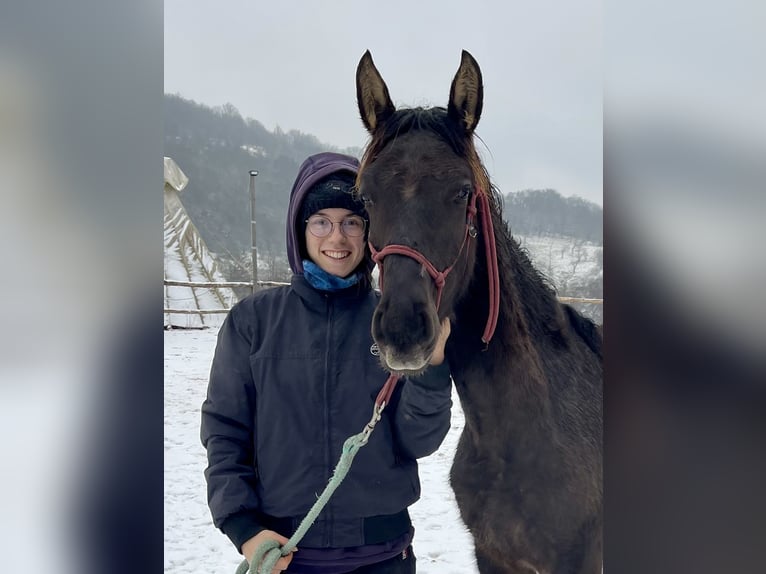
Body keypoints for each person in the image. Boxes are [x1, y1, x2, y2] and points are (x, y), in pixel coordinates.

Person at [201, 152, 453, 574]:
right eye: (321, 221)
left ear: (369, 234)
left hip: (383, 557)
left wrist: (432, 369)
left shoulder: (392, 323)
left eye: (352, 222)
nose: (337, 238)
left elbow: (418, 442)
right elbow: (226, 434)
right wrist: (244, 528)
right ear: (300, 230)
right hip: (286, 554)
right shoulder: (253, 321)